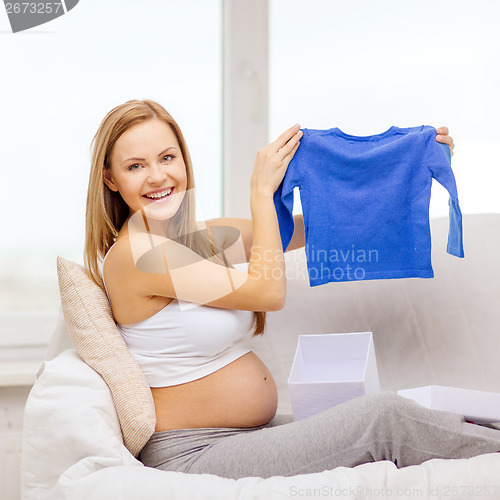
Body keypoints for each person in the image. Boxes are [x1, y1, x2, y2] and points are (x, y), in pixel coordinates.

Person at [84, 98, 500, 480]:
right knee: (383, 417)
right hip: (194, 452)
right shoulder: (137, 254)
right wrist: (261, 193)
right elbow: (268, 292)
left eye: (167, 157)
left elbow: (305, 231)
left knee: (422, 409)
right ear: (110, 179)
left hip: (233, 437)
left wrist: (407, 161)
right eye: (136, 166)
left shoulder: (186, 239)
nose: (158, 175)